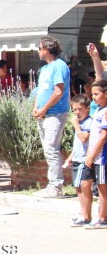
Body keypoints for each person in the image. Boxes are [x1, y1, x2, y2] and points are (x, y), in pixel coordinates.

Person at [32, 36, 71, 198]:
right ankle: (52, 185)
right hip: (44, 113)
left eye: (40, 48)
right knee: (48, 149)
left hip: (55, 113)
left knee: (51, 149)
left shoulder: (59, 66)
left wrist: (44, 109)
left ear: (47, 50)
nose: (38, 51)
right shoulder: (45, 68)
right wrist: (36, 108)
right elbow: (40, 90)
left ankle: (56, 186)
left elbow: (58, 91)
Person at [64, 95, 93, 226]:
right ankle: (83, 214)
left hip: (84, 160)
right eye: (74, 109)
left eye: (80, 109)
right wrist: (70, 158)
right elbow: (77, 145)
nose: (77, 112)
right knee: (77, 187)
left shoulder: (88, 123)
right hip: (77, 158)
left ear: (87, 108)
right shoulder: (81, 124)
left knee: (83, 188)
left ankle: (86, 216)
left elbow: (84, 139)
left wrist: (76, 126)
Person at [84, 80, 107, 229]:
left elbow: (103, 136)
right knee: (89, 183)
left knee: (102, 187)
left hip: (102, 156)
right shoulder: (98, 110)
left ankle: (102, 218)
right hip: (93, 155)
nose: (93, 97)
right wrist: (89, 154)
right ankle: (88, 215)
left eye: (96, 94)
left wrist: (93, 155)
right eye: (92, 94)